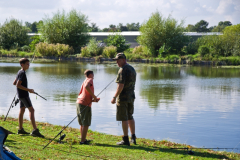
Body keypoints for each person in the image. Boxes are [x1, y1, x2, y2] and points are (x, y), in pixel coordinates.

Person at [13, 58, 44, 138]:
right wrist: (28, 90)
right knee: (31, 110)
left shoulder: (19, 71)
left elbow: (14, 82)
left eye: (29, 64)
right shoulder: (22, 73)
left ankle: (20, 129)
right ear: (22, 64)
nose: (29, 65)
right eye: (27, 64)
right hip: (24, 95)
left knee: (22, 110)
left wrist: (22, 88)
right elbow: (18, 85)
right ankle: (34, 130)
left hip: (21, 94)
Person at [111, 53, 137, 146]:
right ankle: (133, 138)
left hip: (123, 98)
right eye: (116, 60)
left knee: (124, 118)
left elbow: (120, 86)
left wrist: (114, 97)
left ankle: (125, 140)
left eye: (118, 60)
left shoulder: (122, 70)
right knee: (130, 116)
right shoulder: (132, 68)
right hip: (131, 96)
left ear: (123, 59)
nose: (117, 62)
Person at [76, 70, 100, 145]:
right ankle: (83, 141)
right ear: (91, 74)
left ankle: (83, 139)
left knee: (82, 123)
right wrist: (94, 96)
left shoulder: (85, 80)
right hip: (84, 104)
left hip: (79, 102)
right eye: (93, 74)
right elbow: (87, 87)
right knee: (86, 123)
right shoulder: (90, 79)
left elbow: (84, 94)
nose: (94, 76)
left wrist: (93, 100)